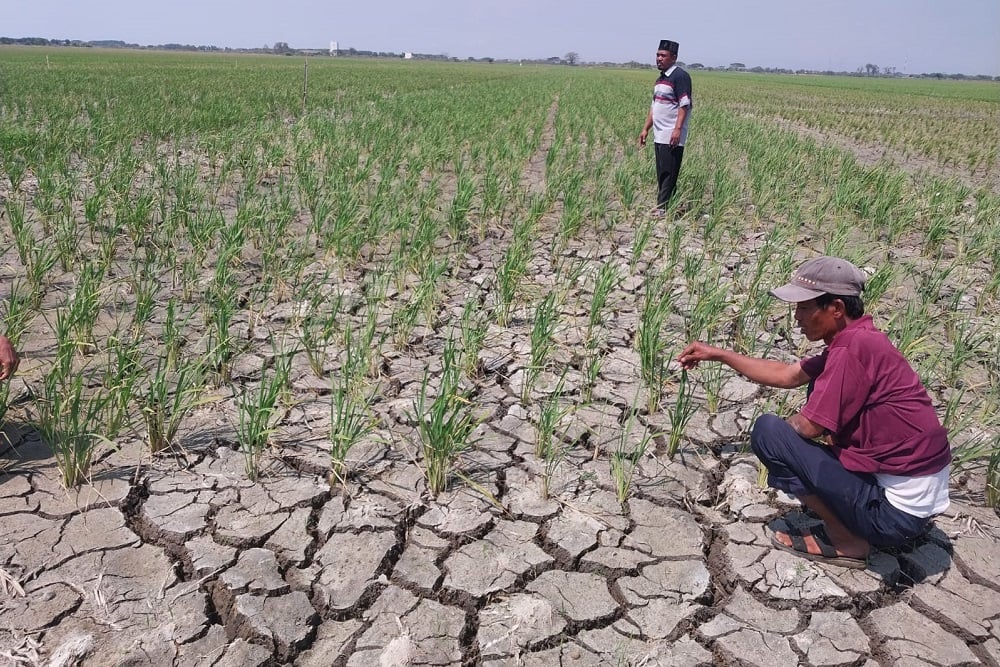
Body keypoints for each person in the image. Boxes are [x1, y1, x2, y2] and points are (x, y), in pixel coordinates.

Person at [678, 256, 950, 569]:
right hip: (909, 503)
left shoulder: (852, 350)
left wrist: (791, 454)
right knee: (801, 412)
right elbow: (787, 375)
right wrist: (719, 354)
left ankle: (847, 540)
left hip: (892, 517)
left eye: (805, 308)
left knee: (769, 433)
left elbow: (808, 427)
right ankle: (847, 512)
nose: (797, 318)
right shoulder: (861, 338)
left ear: (836, 308)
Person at [638, 39, 692, 217]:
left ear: (674, 57)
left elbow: (684, 105)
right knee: (662, 171)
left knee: (669, 172)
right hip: (659, 133)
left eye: (663, 56)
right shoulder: (660, 79)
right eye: (657, 55)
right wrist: (646, 129)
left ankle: (661, 208)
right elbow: (654, 107)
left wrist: (677, 129)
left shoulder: (680, 76)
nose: (659, 58)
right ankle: (669, 205)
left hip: (671, 133)